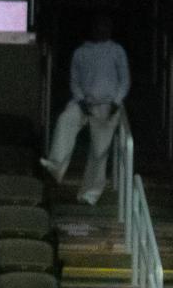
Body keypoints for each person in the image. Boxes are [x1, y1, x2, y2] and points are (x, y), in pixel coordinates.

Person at [42, 11, 130, 205]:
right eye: (99, 26)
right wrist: (81, 100)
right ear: (93, 29)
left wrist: (116, 102)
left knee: (99, 151)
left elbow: (124, 80)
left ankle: (90, 194)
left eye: (106, 26)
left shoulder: (117, 51)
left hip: (109, 105)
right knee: (65, 120)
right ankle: (55, 164)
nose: (102, 29)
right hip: (83, 102)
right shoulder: (81, 52)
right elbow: (74, 81)